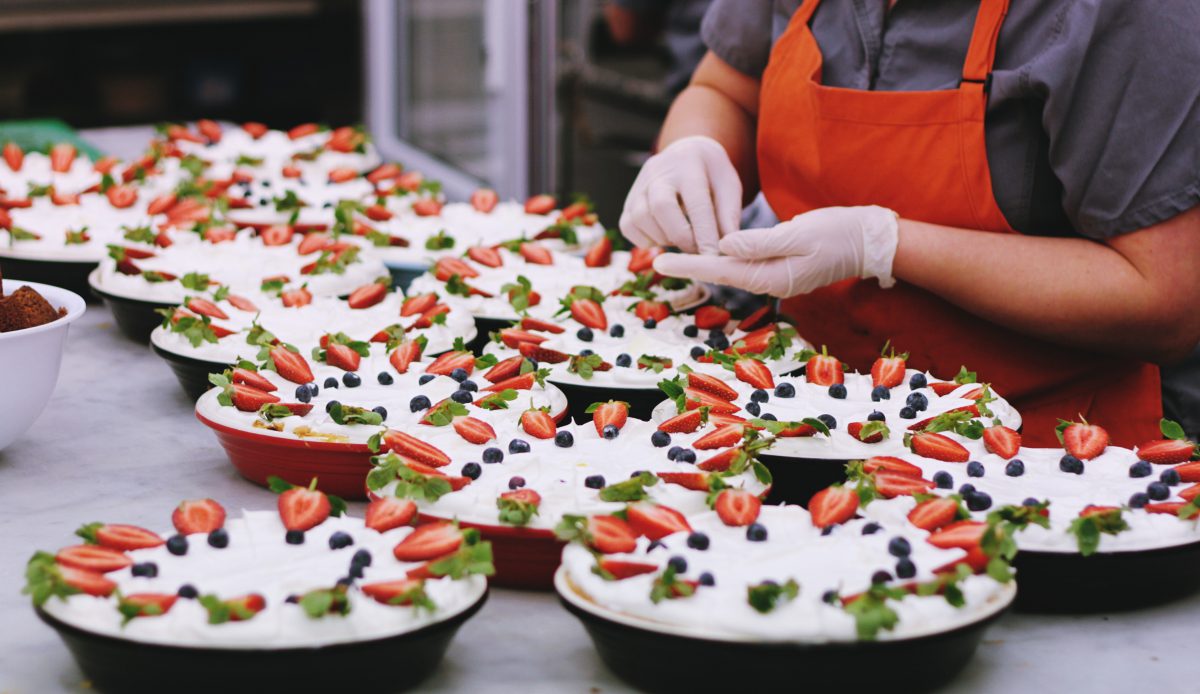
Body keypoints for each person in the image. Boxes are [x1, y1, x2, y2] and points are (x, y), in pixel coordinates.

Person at [619, 0, 1200, 446]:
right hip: (798, 412)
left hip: (1047, 449)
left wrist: (885, 246)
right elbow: (726, 88)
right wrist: (692, 149)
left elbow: (1163, 300)